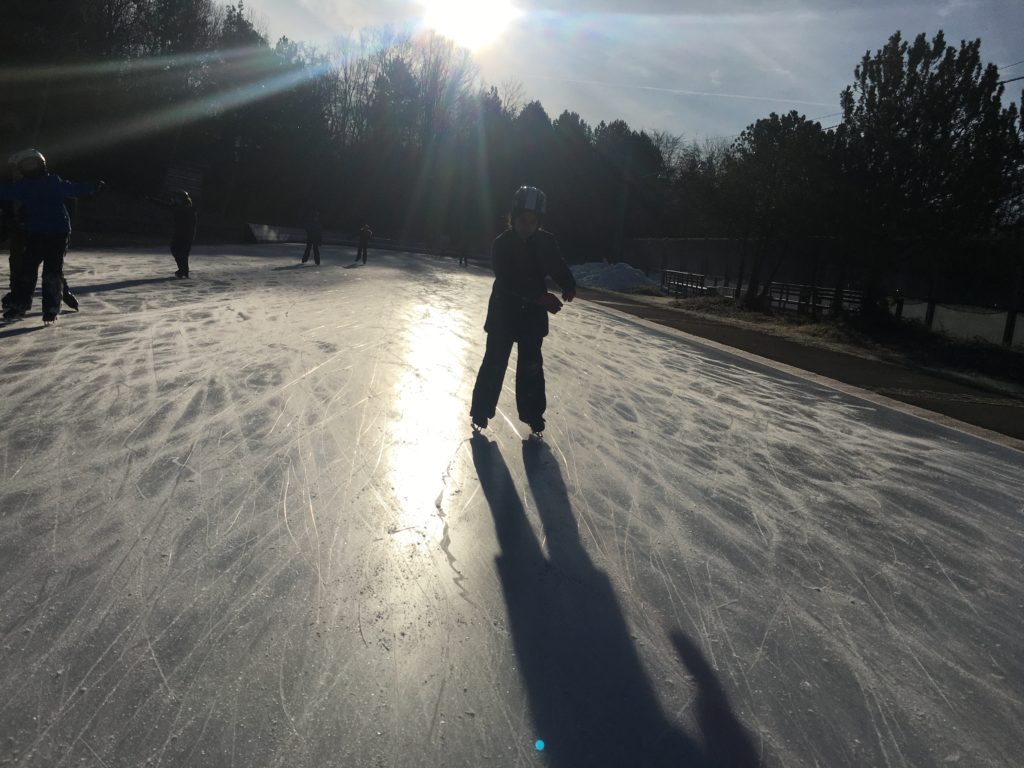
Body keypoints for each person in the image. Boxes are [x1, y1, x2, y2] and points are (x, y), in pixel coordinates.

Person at [469, 186, 576, 437]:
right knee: (494, 363)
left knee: (531, 367)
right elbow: (508, 278)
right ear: (512, 218)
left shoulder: (546, 242)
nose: (526, 226)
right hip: (504, 313)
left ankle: (533, 415)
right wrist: (540, 296)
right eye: (522, 221)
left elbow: (556, 265)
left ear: (539, 222)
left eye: (532, 222)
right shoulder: (502, 244)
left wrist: (568, 284)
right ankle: (481, 411)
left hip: (531, 316)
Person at [0, 149, 102, 323]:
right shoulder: (23, 186)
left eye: (33, 164)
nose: (30, 168)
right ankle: (19, 304)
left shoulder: (53, 182)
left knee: (52, 272)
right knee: (27, 270)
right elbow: (5, 191)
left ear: (41, 164)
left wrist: (92, 187)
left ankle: (51, 307)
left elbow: (73, 188)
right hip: (36, 233)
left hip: (57, 233)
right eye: (26, 166)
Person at [147, 189, 197, 278]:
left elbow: (169, 207)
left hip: (184, 235)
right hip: (185, 235)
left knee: (179, 252)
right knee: (180, 252)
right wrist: (152, 200)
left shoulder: (185, 209)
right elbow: (165, 205)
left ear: (181, 199)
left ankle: (183, 271)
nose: (174, 199)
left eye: (176, 198)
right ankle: (184, 271)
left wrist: (152, 200)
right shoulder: (187, 208)